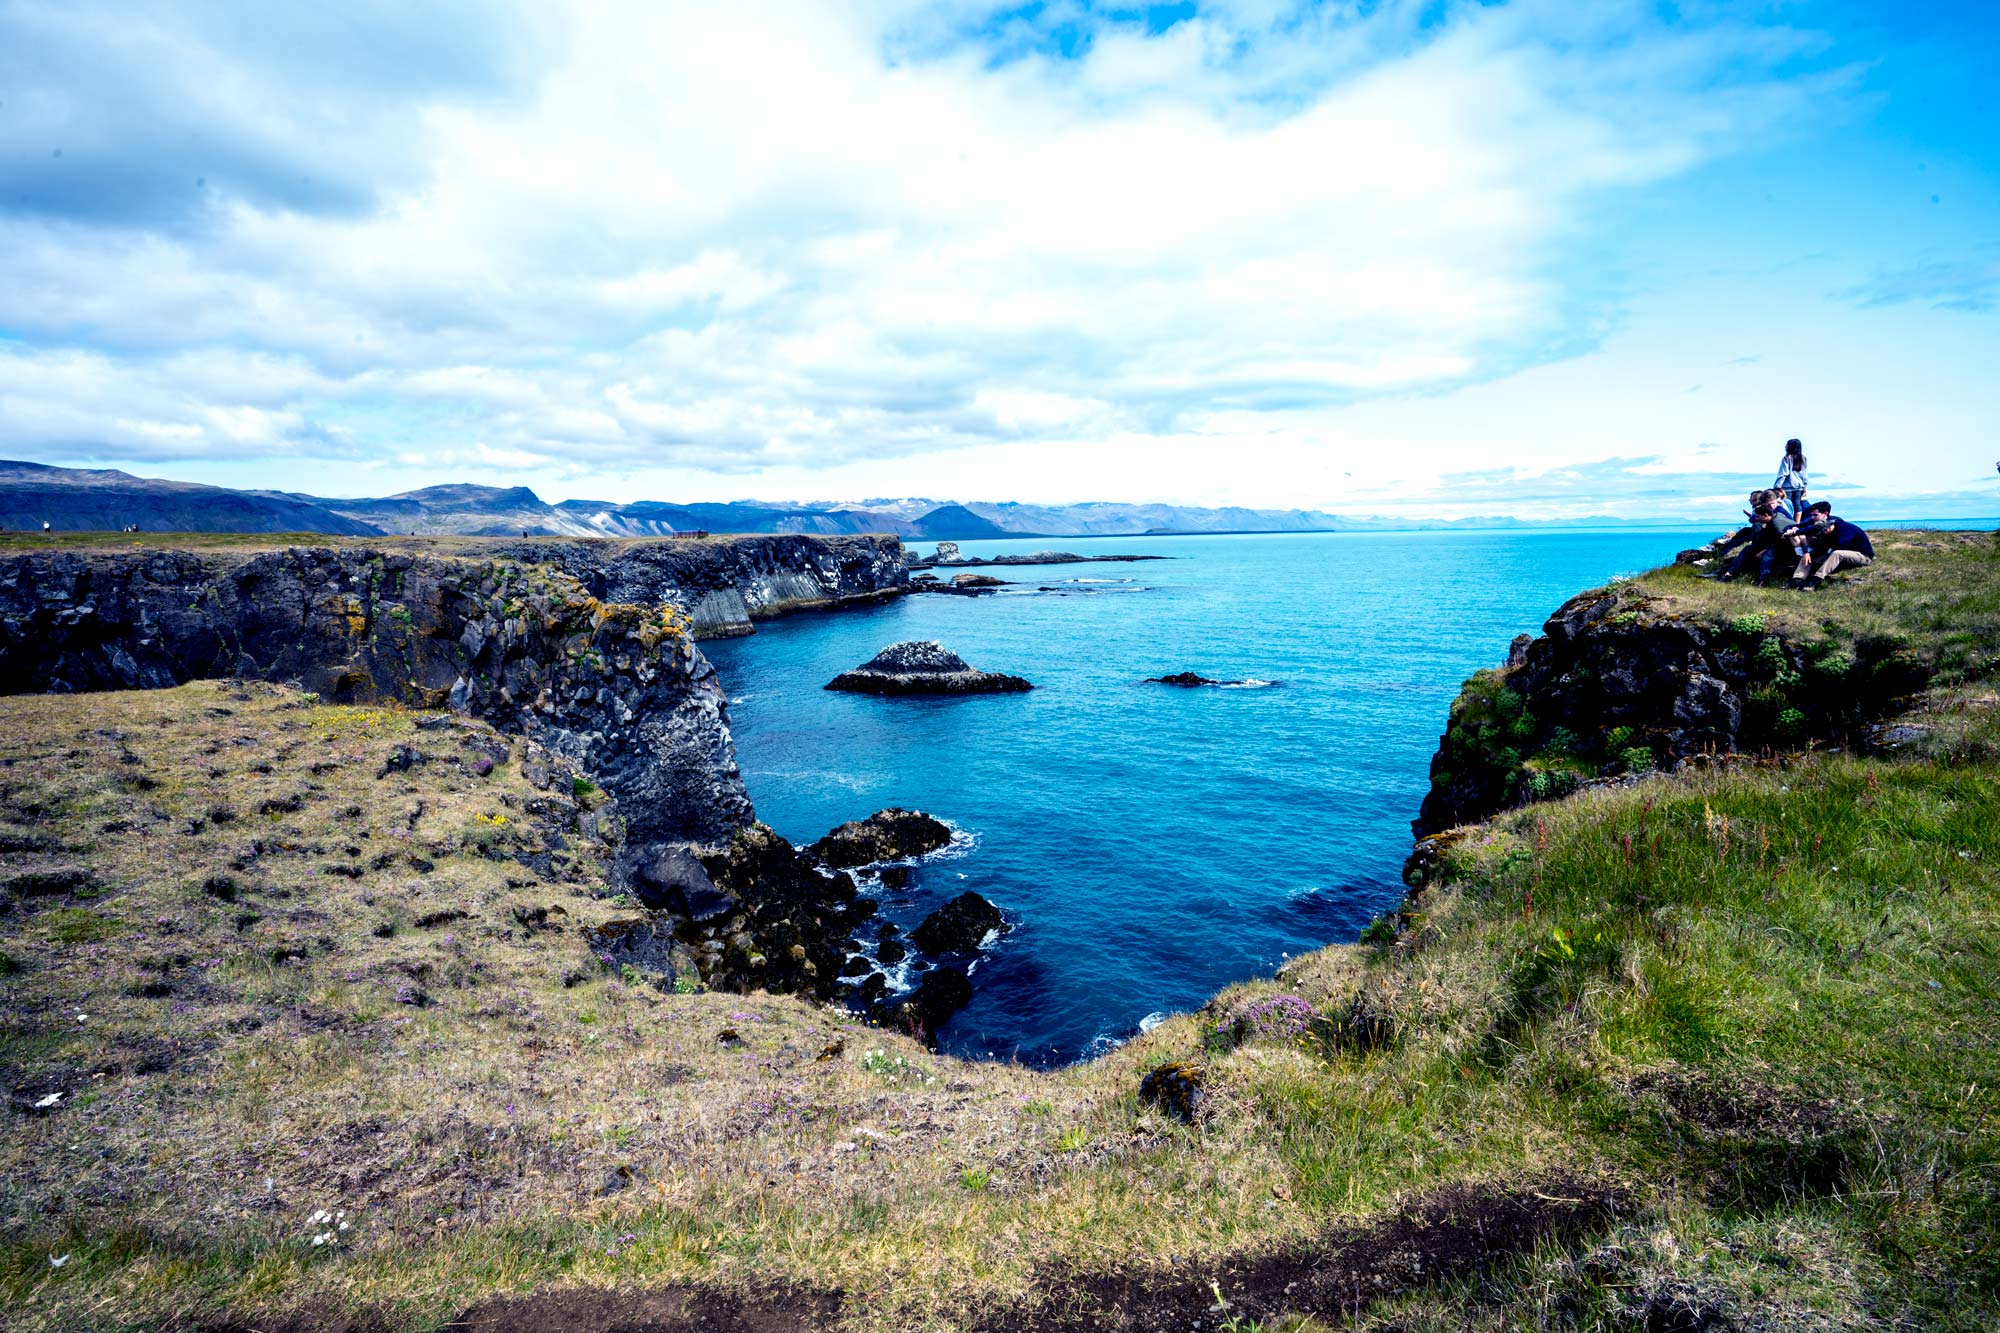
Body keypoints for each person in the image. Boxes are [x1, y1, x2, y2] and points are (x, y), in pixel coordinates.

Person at [1791, 507, 1874, 590]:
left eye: (1822, 532)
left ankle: (1816, 580)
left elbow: (1841, 547)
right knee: (1809, 556)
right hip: (1843, 556)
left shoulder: (1844, 529)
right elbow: (1822, 549)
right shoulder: (1828, 532)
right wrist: (1809, 555)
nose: (1821, 535)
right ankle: (1797, 580)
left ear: (1829, 527)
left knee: (1836, 553)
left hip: (1863, 556)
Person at [1713, 506, 1789, 584]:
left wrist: (1763, 551)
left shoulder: (1777, 524)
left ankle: (1763, 580)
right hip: (1774, 544)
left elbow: (1780, 541)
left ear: (1766, 515)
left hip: (1785, 548)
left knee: (1767, 555)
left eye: (1758, 516)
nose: (1756, 519)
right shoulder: (1775, 516)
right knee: (1748, 549)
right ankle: (1729, 573)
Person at [1773, 439, 1808, 516]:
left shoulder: (1787, 458)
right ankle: (1797, 523)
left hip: (1787, 487)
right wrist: (1805, 487)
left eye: (1787, 444)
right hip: (1799, 486)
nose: (1785, 446)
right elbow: (1804, 475)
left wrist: (1777, 487)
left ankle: (1789, 521)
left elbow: (1783, 474)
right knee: (1797, 505)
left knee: (1787, 505)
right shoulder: (1803, 458)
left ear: (1791, 446)